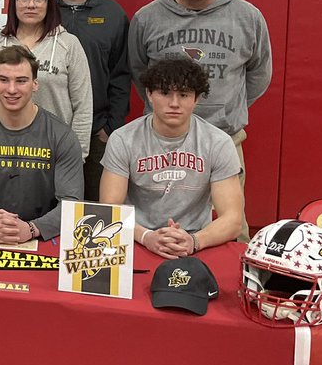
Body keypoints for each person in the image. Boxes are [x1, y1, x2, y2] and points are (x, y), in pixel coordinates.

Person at [128, 0, 272, 239]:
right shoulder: (147, 18)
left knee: (233, 225)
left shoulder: (247, 17)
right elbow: (140, 70)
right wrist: (169, 114)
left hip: (225, 137)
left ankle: (235, 282)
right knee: (161, 223)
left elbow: (259, 73)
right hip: (161, 143)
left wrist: (228, 106)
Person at [100, 56, 244, 260]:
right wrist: (146, 236)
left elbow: (233, 219)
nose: (174, 103)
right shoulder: (123, 139)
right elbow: (109, 209)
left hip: (197, 241)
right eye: (165, 93)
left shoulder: (218, 143)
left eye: (184, 94)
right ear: (149, 94)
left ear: (196, 99)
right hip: (136, 238)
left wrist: (194, 241)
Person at [0, 44, 83, 243]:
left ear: (35, 84)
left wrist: (32, 228)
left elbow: (73, 203)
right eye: (4, 80)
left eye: (21, 81)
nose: (11, 89)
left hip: (43, 236)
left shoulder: (61, 135)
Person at [0, 0, 93, 158]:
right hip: (0, 151)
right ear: (13, 3)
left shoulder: (69, 44)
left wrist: (77, 156)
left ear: (49, 4)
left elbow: (83, 107)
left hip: (54, 151)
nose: (31, 5)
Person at [53, 0, 131, 199]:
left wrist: (110, 127)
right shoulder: (39, 7)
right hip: (43, 130)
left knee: (93, 210)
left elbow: (121, 74)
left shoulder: (112, 14)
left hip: (95, 131)